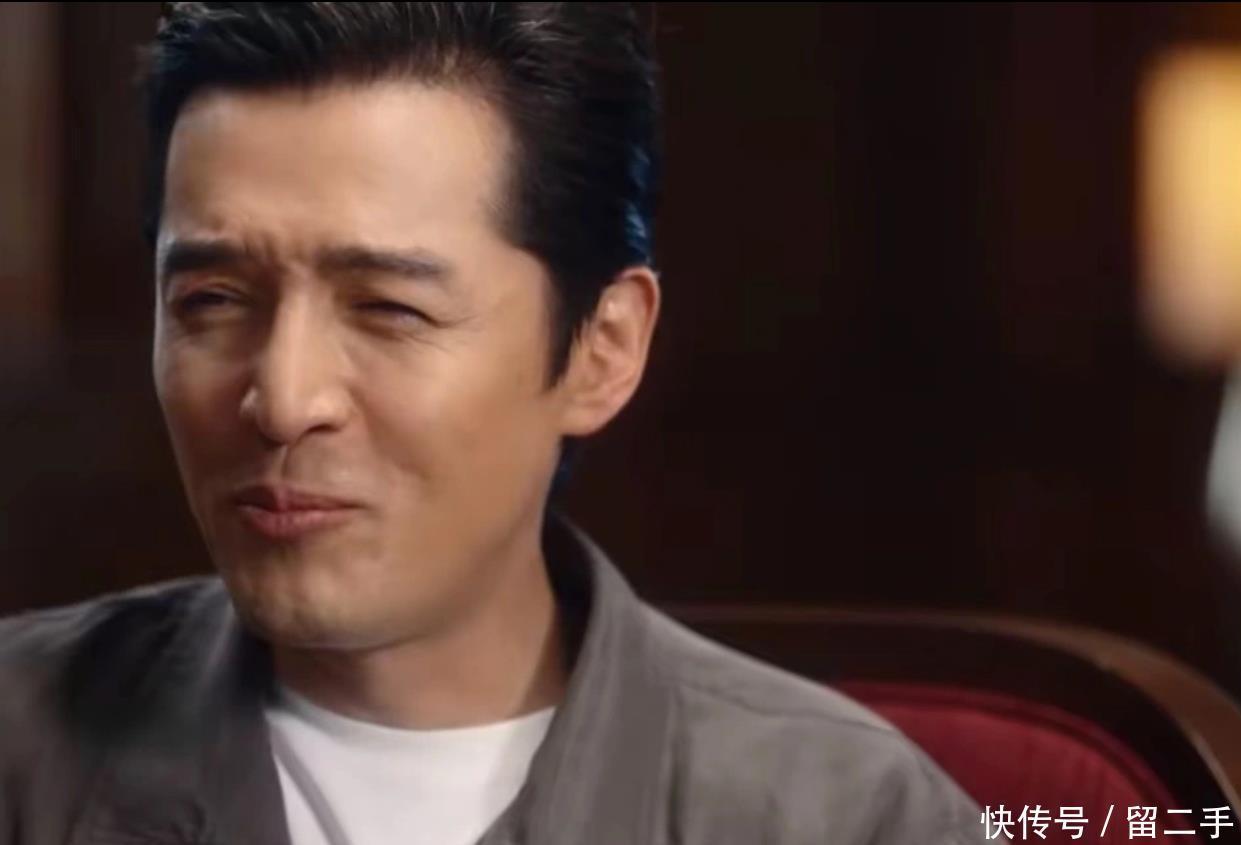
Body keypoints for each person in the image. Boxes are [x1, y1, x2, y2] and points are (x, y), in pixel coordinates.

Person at [0, 4, 989, 843]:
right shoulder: (22, 753)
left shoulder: (845, 816)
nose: (285, 398)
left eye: (388, 308)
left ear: (602, 348)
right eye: (213, 301)